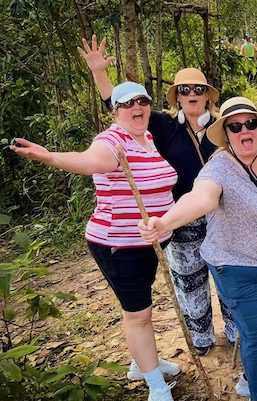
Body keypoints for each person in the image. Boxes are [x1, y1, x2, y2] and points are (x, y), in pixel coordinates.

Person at [11, 82, 180, 401]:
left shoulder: (148, 138)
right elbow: (91, 162)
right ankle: (155, 386)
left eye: (143, 101)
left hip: (150, 242)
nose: (137, 107)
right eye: (127, 103)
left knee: (142, 305)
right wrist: (51, 157)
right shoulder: (112, 142)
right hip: (119, 245)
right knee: (139, 314)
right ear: (114, 111)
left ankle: (142, 360)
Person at [139, 97, 257, 401]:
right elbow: (201, 198)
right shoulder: (218, 167)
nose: (244, 130)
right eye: (234, 126)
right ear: (226, 134)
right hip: (235, 266)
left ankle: (251, 378)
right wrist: (166, 222)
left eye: (250, 123)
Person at [79, 35, 237, 356]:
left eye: (198, 89)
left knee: (228, 276)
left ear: (208, 96)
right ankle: (202, 338)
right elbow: (122, 105)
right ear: (177, 97)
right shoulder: (164, 126)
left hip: (222, 216)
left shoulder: (224, 127)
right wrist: (99, 72)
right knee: (189, 280)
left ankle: (236, 331)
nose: (192, 95)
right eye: (184, 90)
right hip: (180, 218)